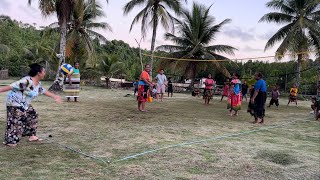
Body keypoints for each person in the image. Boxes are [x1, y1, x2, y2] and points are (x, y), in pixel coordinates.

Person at [0, 63, 61, 147]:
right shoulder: (26, 81)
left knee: (33, 114)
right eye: (43, 71)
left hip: (24, 104)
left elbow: (43, 91)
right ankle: (10, 141)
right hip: (14, 102)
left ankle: (32, 135)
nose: (44, 73)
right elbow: (10, 87)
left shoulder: (37, 84)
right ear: (38, 73)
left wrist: (55, 96)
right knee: (16, 120)